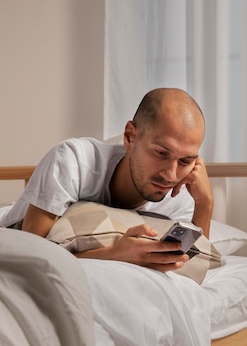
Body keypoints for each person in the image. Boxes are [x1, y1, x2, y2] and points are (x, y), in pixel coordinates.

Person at [3, 88, 213, 274]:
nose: (171, 175)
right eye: (161, 153)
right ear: (130, 136)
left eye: (185, 161)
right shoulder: (74, 161)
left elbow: (197, 266)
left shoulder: (184, 194)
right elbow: (31, 258)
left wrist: (205, 204)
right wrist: (113, 254)